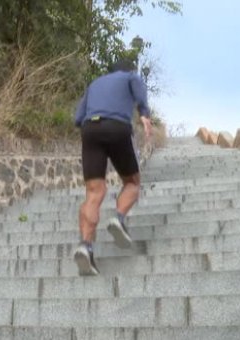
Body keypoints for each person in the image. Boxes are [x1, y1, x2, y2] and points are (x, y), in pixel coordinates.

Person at [72, 59, 152, 276]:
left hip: (90, 129)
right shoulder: (130, 77)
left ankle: (85, 246)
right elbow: (139, 88)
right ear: (128, 69)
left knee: (94, 192)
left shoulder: (94, 84)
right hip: (116, 127)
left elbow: (78, 118)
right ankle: (118, 218)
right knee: (132, 183)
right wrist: (144, 114)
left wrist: (94, 128)